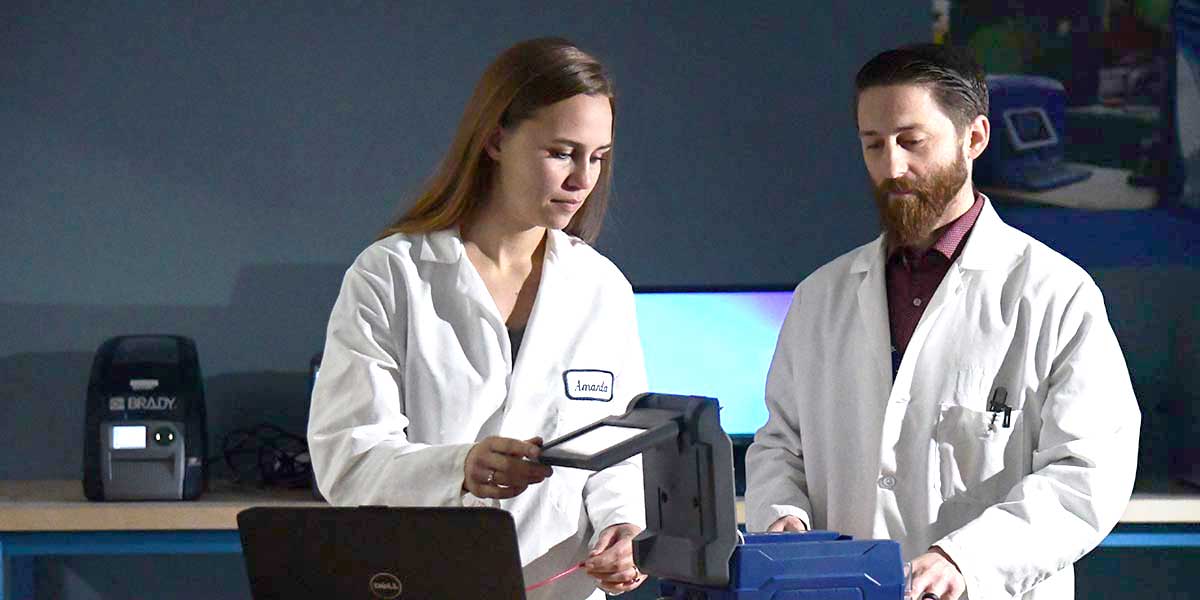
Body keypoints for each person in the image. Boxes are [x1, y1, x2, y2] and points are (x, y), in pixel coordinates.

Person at [745, 43, 1140, 600]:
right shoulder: (821, 296)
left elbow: (1088, 473)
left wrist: (963, 558)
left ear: (974, 137)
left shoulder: (1056, 294)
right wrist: (782, 521)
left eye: (911, 142)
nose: (891, 167)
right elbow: (781, 445)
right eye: (872, 145)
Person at [308, 37, 648, 599]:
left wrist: (623, 528)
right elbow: (348, 460)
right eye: (562, 152)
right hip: (428, 583)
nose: (583, 180)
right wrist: (460, 468)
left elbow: (618, 457)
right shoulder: (393, 275)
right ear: (495, 139)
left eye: (598, 157)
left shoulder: (602, 288)